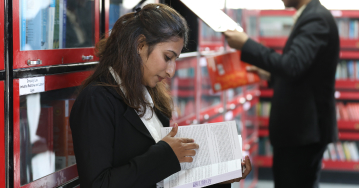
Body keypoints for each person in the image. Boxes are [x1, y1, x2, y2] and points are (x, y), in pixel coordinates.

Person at [70, 3, 251, 188]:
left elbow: (163, 179)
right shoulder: (97, 100)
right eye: (167, 57)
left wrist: (218, 177)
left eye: (175, 60)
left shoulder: (150, 96)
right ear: (140, 45)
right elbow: (98, 184)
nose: (171, 71)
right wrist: (166, 155)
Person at [224, 0, 339, 187]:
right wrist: (269, 75)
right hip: (302, 130)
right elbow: (304, 72)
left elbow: (291, 65)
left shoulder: (316, 18)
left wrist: (246, 44)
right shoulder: (312, 15)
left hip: (303, 132)